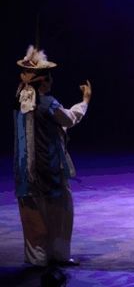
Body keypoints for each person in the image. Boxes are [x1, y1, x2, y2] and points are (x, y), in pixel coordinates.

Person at [14, 46, 91, 267]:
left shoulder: (19, 100)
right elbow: (69, 118)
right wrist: (85, 100)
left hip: (25, 169)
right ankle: (58, 255)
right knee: (59, 211)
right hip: (48, 167)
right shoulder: (47, 103)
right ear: (44, 81)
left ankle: (37, 259)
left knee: (32, 214)